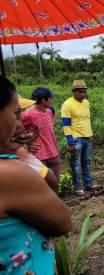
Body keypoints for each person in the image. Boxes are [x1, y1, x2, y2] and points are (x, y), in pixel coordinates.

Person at [0, 76, 71, 274]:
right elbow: (63, 221)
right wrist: (22, 155)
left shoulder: (48, 113)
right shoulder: (10, 174)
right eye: (15, 115)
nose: (20, 123)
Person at [61, 80, 97, 196]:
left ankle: (88, 184)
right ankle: (78, 187)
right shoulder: (67, 104)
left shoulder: (86, 103)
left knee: (86, 162)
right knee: (76, 164)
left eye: (84, 92)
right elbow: (66, 124)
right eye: (80, 92)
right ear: (74, 92)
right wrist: (70, 142)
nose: (83, 94)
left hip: (87, 137)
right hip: (76, 138)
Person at [21, 87, 60, 187]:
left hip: (53, 153)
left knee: (55, 183)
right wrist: (27, 143)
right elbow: (14, 129)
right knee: (41, 186)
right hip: (39, 156)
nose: (52, 100)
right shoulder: (28, 114)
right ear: (43, 100)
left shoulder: (49, 112)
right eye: (51, 98)